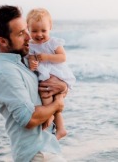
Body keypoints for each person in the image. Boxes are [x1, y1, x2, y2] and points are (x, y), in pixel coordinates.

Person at [0, 5, 67, 162]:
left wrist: (62, 87)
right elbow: (29, 119)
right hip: (36, 154)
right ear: (3, 41)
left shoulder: (24, 60)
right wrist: (57, 104)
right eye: (20, 33)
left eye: (26, 30)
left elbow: (51, 81)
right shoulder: (6, 73)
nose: (28, 37)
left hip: (47, 147)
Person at [27, 8, 76, 140]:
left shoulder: (53, 42)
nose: (39, 34)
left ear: (50, 27)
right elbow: (30, 59)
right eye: (34, 31)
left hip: (57, 73)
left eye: (44, 30)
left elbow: (62, 57)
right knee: (46, 95)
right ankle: (58, 125)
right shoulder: (30, 45)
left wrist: (47, 57)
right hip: (44, 74)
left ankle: (54, 121)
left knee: (50, 96)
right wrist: (33, 63)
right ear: (28, 29)